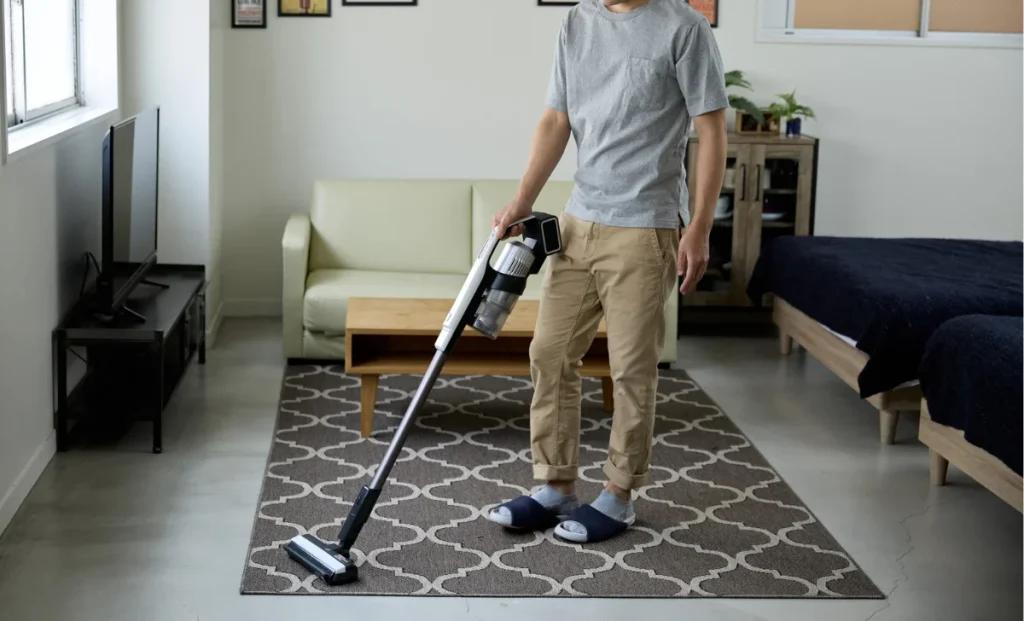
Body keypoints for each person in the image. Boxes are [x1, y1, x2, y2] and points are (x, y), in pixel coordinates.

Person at [486, 0, 728, 544]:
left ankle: (618, 497)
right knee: (549, 353)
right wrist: (522, 200)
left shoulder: (684, 28)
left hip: (646, 227)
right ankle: (556, 486)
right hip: (578, 222)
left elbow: (711, 130)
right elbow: (556, 118)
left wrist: (701, 227)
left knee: (631, 371)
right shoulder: (577, 22)